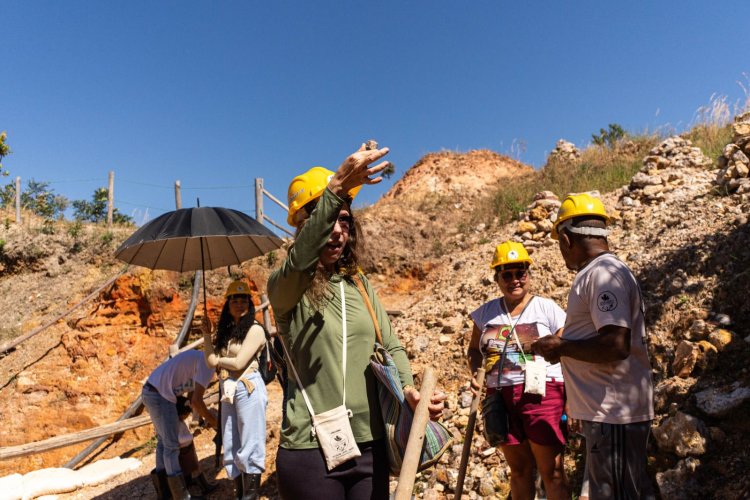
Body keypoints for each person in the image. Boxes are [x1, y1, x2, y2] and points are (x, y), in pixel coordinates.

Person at [268, 144, 445, 499]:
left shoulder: (359, 284)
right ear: (302, 228)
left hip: (370, 447)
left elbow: (390, 344)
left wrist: (408, 389)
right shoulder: (286, 286)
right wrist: (334, 189)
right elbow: (301, 262)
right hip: (310, 450)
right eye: (322, 218)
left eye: (344, 220)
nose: (336, 230)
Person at [532, 193, 655, 500]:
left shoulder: (601, 274)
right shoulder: (602, 272)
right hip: (608, 414)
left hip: (612, 414)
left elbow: (615, 344)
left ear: (565, 239)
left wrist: (560, 347)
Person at [467, 241, 570, 500]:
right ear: (497, 278)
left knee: (552, 471)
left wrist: (572, 397)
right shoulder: (485, 314)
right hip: (500, 399)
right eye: (507, 275)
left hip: (543, 395)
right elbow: (473, 350)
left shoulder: (547, 309)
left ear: (528, 274)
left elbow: (565, 348)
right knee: (519, 470)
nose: (515, 280)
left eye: (520, 273)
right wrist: (475, 372)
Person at [202, 280, 268, 500]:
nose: (239, 304)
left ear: (250, 303)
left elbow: (239, 363)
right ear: (227, 304)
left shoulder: (255, 329)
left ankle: (250, 496)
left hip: (247, 387)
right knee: (231, 441)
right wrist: (206, 334)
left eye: (243, 300)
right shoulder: (227, 332)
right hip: (228, 389)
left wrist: (219, 359)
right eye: (234, 300)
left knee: (251, 441)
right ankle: (241, 494)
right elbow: (211, 361)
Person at [142, 349, 217, 500]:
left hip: (154, 390)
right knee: (171, 445)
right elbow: (197, 401)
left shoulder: (202, 360)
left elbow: (193, 396)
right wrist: (216, 423)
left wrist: (187, 407)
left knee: (164, 442)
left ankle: (165, 493)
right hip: (160, 394)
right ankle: (181, 496)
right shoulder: (209, 364)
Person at [174, 395, 219, 496]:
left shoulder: (178, 422)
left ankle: (190, 482)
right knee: (195, 468)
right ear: (181, 413)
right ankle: (205, 487)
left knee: (189, 468)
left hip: (187, 448)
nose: (186, 417)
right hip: (185, 450)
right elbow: (180, 439)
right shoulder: (177, 424)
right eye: (186, 415)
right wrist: (192, 435)